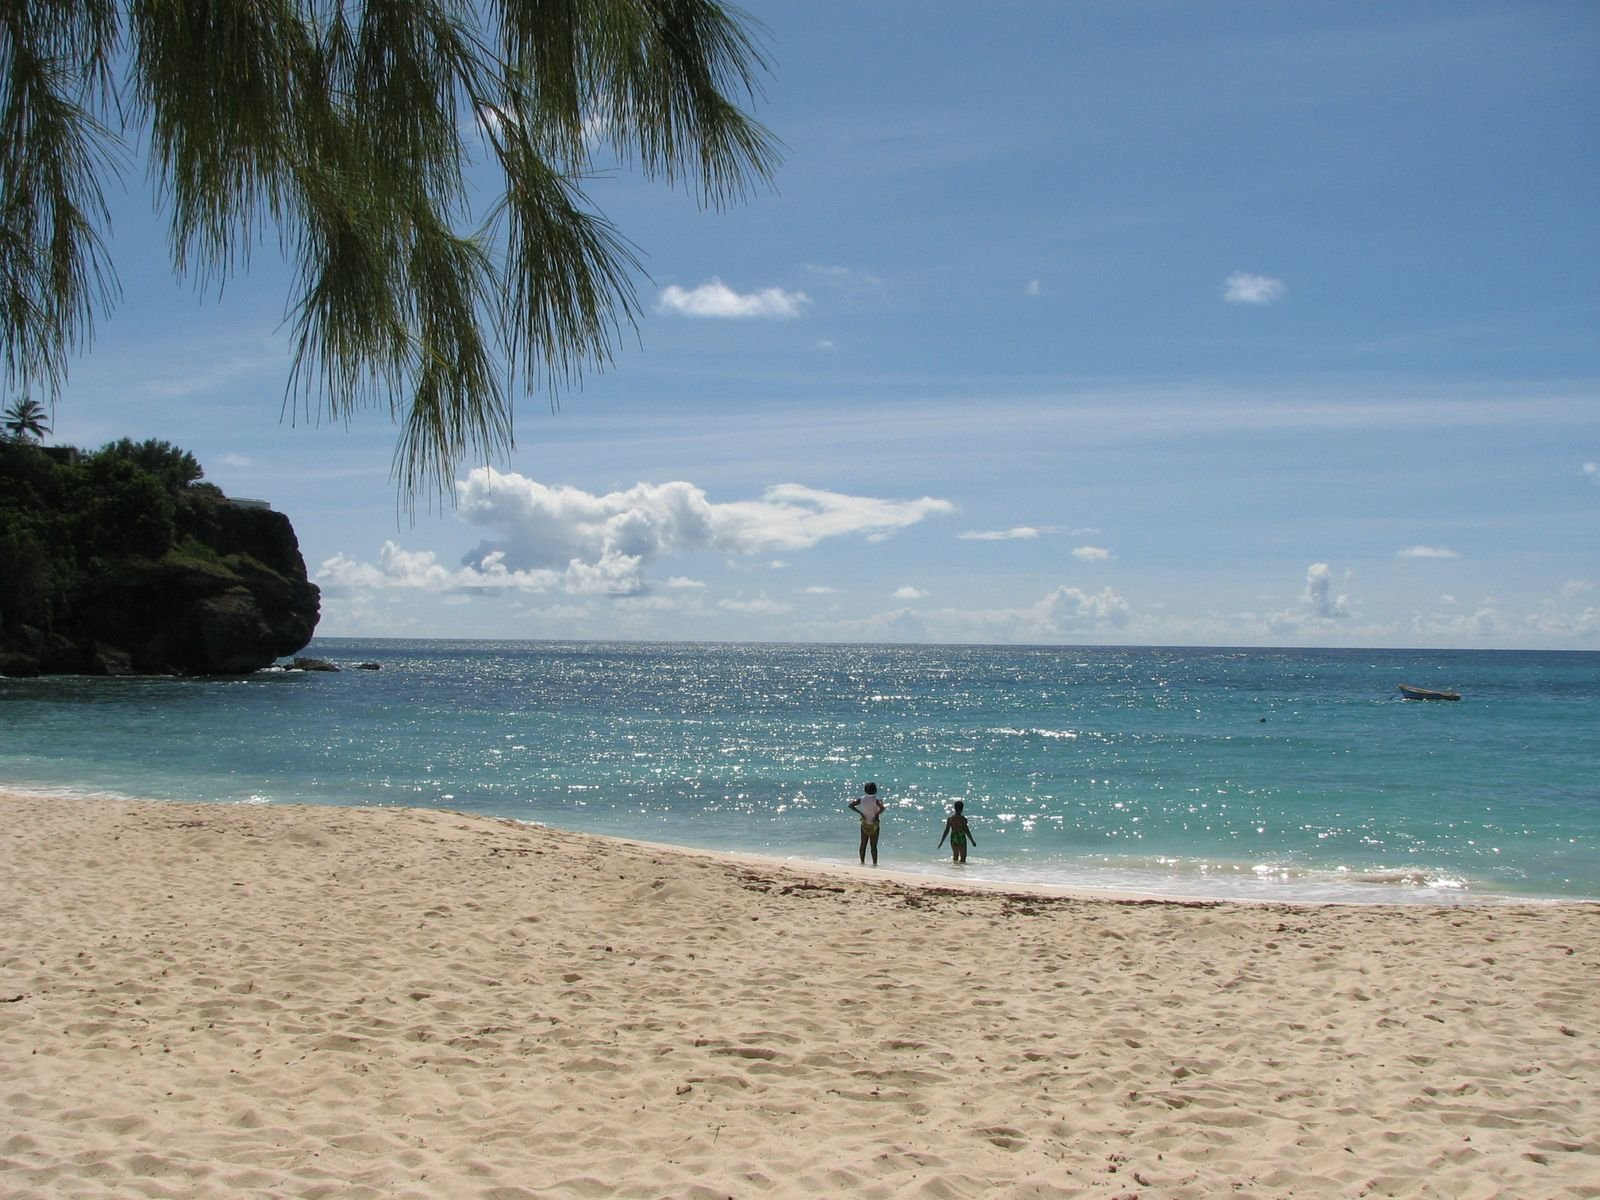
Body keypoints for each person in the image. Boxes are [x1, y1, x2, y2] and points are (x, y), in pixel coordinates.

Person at [848, 782, 885, 866]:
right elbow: (882, 808)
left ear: (865, 790)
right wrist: (877, 814)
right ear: (875, 790)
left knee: (863, 844)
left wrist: (860, 813)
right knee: (873, 846)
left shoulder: (861, 799)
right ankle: (875, 863)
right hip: (874, 824)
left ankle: (862, 862)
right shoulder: (877, 800)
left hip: (864, 824)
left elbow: (850, 805)